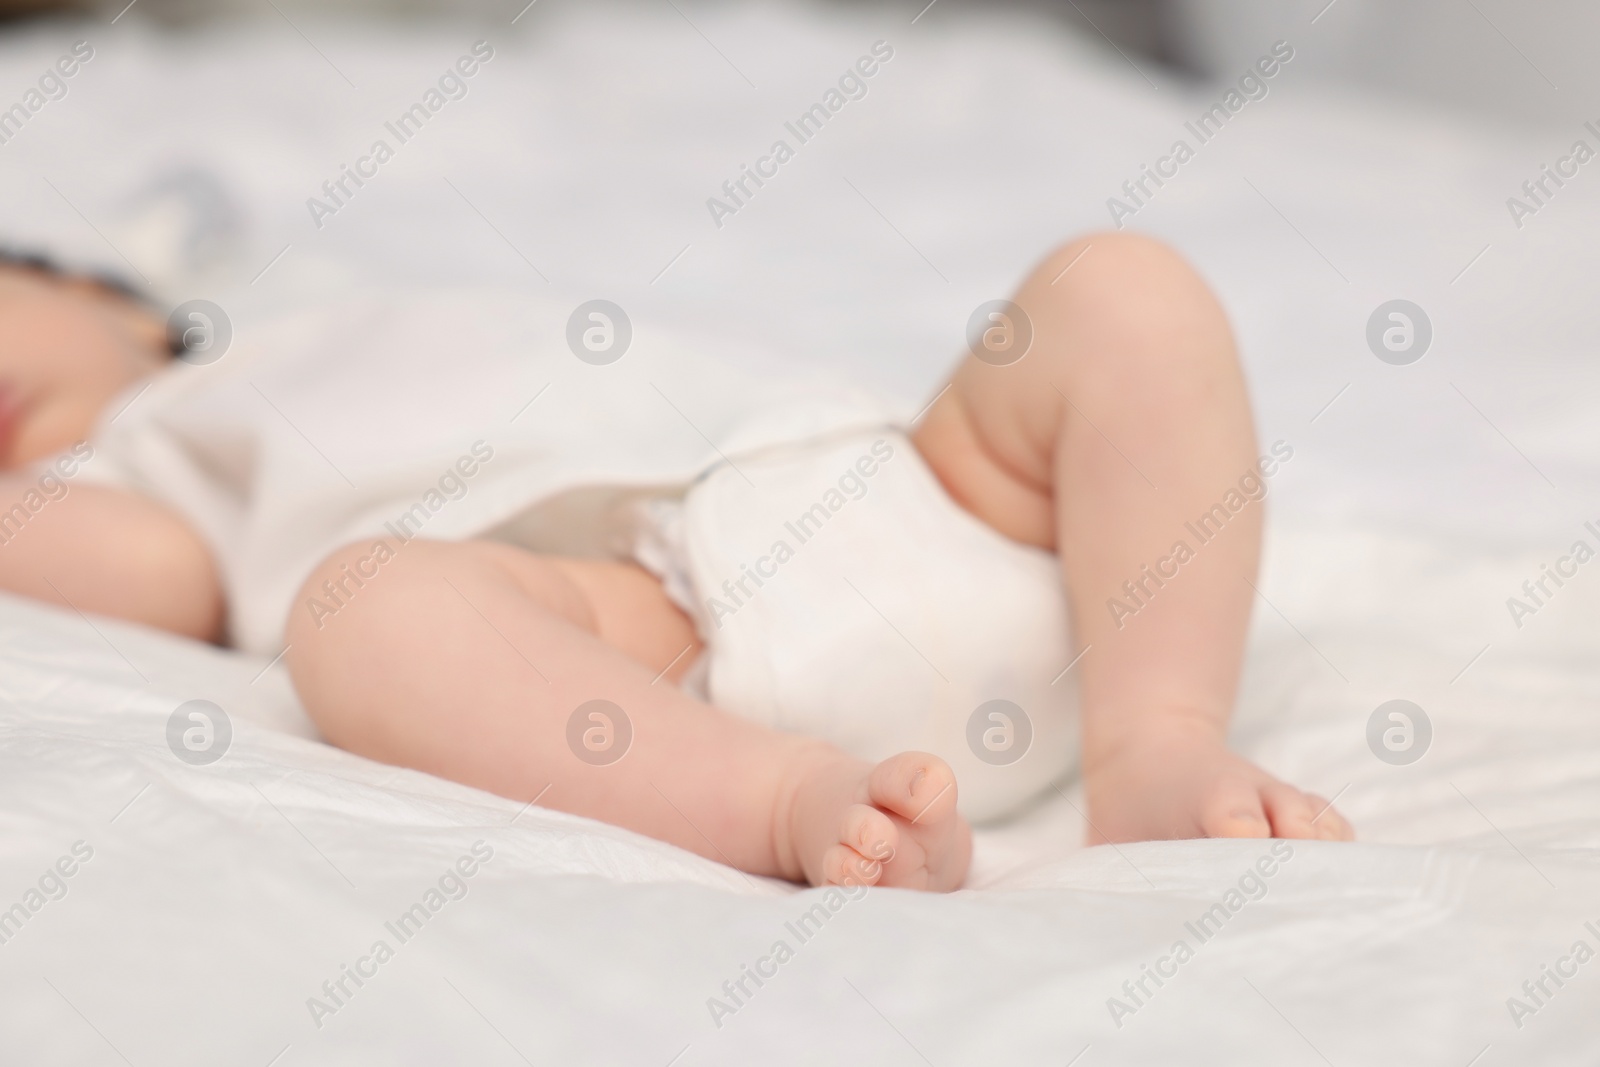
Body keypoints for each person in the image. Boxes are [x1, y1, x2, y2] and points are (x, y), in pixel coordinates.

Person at [0, 233, 1352, 894]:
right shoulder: (125, 462)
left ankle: (1157, 742)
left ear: (98, 292)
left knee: (1121, 288)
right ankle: (785, 806)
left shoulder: (264, 331)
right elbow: (158, 578)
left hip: (922, 494)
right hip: (650, 635)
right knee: (360, 605)